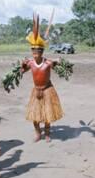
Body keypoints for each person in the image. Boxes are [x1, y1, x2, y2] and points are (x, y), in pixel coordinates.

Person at [21, 12, 63, 142]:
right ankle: (38, 133)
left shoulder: (48, 62)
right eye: (33, 52)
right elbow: (22, 71)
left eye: (38, 52)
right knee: (35, 115)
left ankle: (47, 133)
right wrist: (22, 66)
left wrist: (59, 62)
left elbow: (58, 67)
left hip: (47, 90)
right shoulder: (30, 63)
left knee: (47, 114)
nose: (35, 55)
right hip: (36, 90)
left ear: (42, 52)